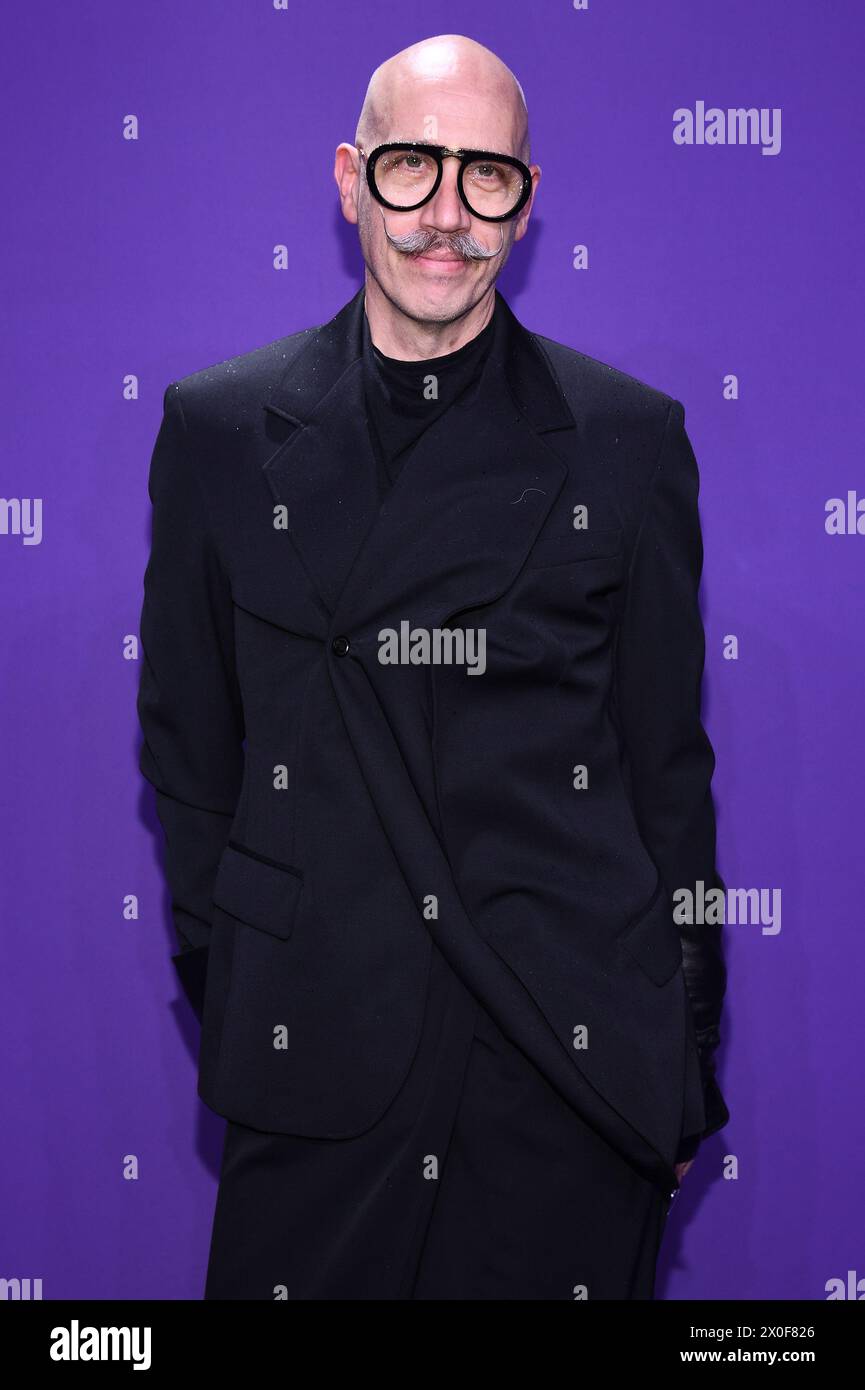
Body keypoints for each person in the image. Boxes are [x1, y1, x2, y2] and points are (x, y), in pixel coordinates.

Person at [136, 33, 730, 1300]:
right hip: (318, 1058)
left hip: (563, 1064)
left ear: (528, 201)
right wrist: (247, 975)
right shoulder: (221, 431)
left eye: (486, 176)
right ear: (351, 179)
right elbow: (189, 758)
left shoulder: (625, 442)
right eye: (413, 167)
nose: (446, 215)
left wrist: (676, 1056)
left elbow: (668, 783)